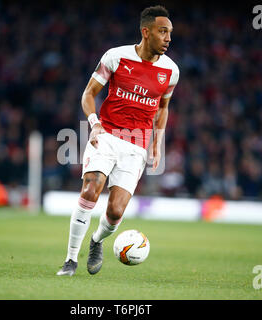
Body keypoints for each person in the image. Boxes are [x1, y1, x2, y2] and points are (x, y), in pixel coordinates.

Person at [57, 5, 179, 276]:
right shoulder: (116, 57)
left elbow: (162, 108)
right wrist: (94, 124)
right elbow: (89, 94)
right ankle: (70, 260)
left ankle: (97, 240)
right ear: (146, 32)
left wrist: (156, 144)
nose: (168, 38)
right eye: (163, 32)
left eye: (170, 32)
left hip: (136, 144)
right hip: (107, 134)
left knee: (115, 212)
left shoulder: (171, 71)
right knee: (91, 189)